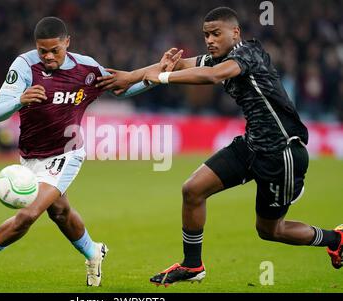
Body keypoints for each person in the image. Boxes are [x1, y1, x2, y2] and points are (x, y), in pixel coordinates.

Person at [97, 7, 343, 286]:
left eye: (216, 34)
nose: (210, 40)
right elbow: (176, 65)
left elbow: (213, 75)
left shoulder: (247, 53)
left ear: (235, 33)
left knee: (270, 230)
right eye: (206, 35)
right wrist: (129, 76)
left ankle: (335, 239)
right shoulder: (215, 57)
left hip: (281, 152)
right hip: (252, 145)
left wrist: (162, 78)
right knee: (192, 189)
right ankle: (192, 266)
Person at [0, 16, 169, 287]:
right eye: (43, 51)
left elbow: (121, 89)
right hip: (30, 156)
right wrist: (20, 99)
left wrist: (156, 78)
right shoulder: (25, 65)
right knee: (60, 213)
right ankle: (93, 251)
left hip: (67, 153)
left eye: (55, 50)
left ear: (67, 43)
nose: (49, 56)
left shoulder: (86, 68)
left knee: (28, 214)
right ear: (36, 47)